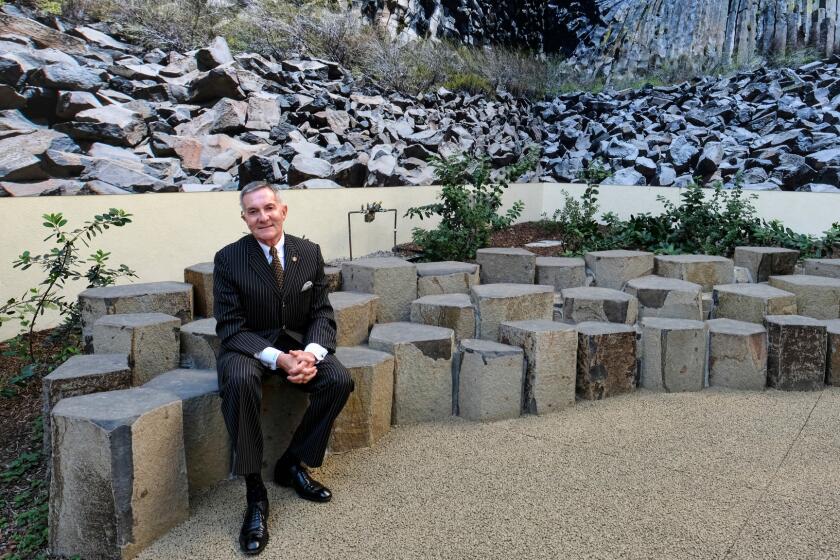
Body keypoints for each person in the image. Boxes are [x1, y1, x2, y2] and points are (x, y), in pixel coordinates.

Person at [213, 182, 354, 555]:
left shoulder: (309, 253)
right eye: (253, 212)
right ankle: (255, 493)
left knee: (339, 380)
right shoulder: (228, 259)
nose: (263, 217)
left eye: (269, 208)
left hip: (297, 344)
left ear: (284, 210)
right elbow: (230, 327)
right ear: (244, 219)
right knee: (240, 381)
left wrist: (310, 354)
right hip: (248, 345)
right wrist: (278, 358)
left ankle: (291, 464)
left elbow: (322, 312)